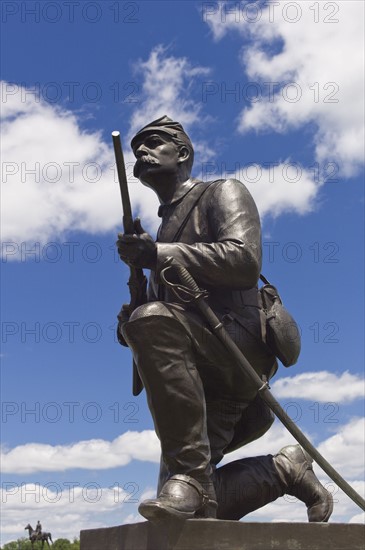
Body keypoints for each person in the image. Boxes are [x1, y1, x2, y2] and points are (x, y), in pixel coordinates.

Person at [116, 116, 332, 523]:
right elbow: (164, 325)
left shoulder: (222, 192)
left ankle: (191, 479)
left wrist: (157, 257)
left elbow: (243, 260)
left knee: (150, 319)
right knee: (196, 511)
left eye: (154, 143)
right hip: (198, 374)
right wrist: (131, 318)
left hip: (236, 352)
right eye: (136, 150)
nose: (141, 152)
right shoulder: (162, 231)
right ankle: (285, 470)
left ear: (182, 153)